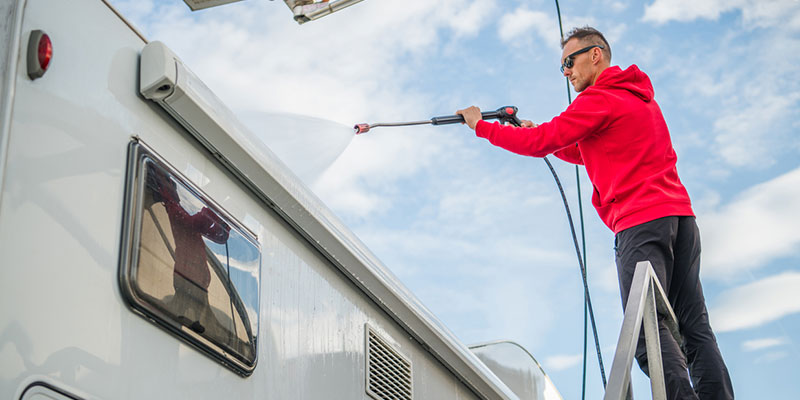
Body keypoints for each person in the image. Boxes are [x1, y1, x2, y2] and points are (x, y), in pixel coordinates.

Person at [456, 26, 734, 400]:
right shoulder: (637, 98)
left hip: (641, 223)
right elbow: (584, 147)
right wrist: (546, 134)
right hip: (680, 220)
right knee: (694, 326)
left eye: (568, 62)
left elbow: (540, 144)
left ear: (595, 55)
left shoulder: (597, 99)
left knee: (648, 333)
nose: (566, 72)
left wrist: (481, 126)